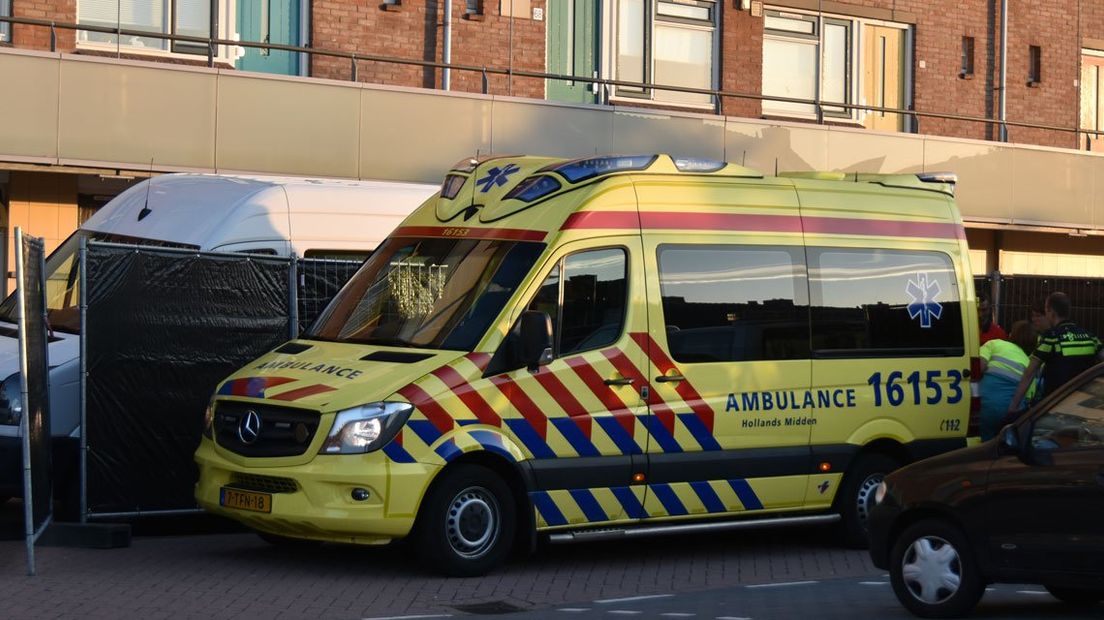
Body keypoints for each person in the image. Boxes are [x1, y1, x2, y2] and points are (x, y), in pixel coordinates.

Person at [1006, 291, 1104, 422]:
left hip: (1056, 406)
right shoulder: (1089, 337)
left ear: (1050, 311)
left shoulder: (1052, 337)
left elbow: (1030, 372)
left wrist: (1013, 408)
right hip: (1084, 408)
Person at [978, 321, 1037, 440]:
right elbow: (1029, 397)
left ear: (1011, 335)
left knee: (983, 442)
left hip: (985, 407)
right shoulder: (1029, 364)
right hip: (1009, 415)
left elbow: (979, 367)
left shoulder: (994, 344)